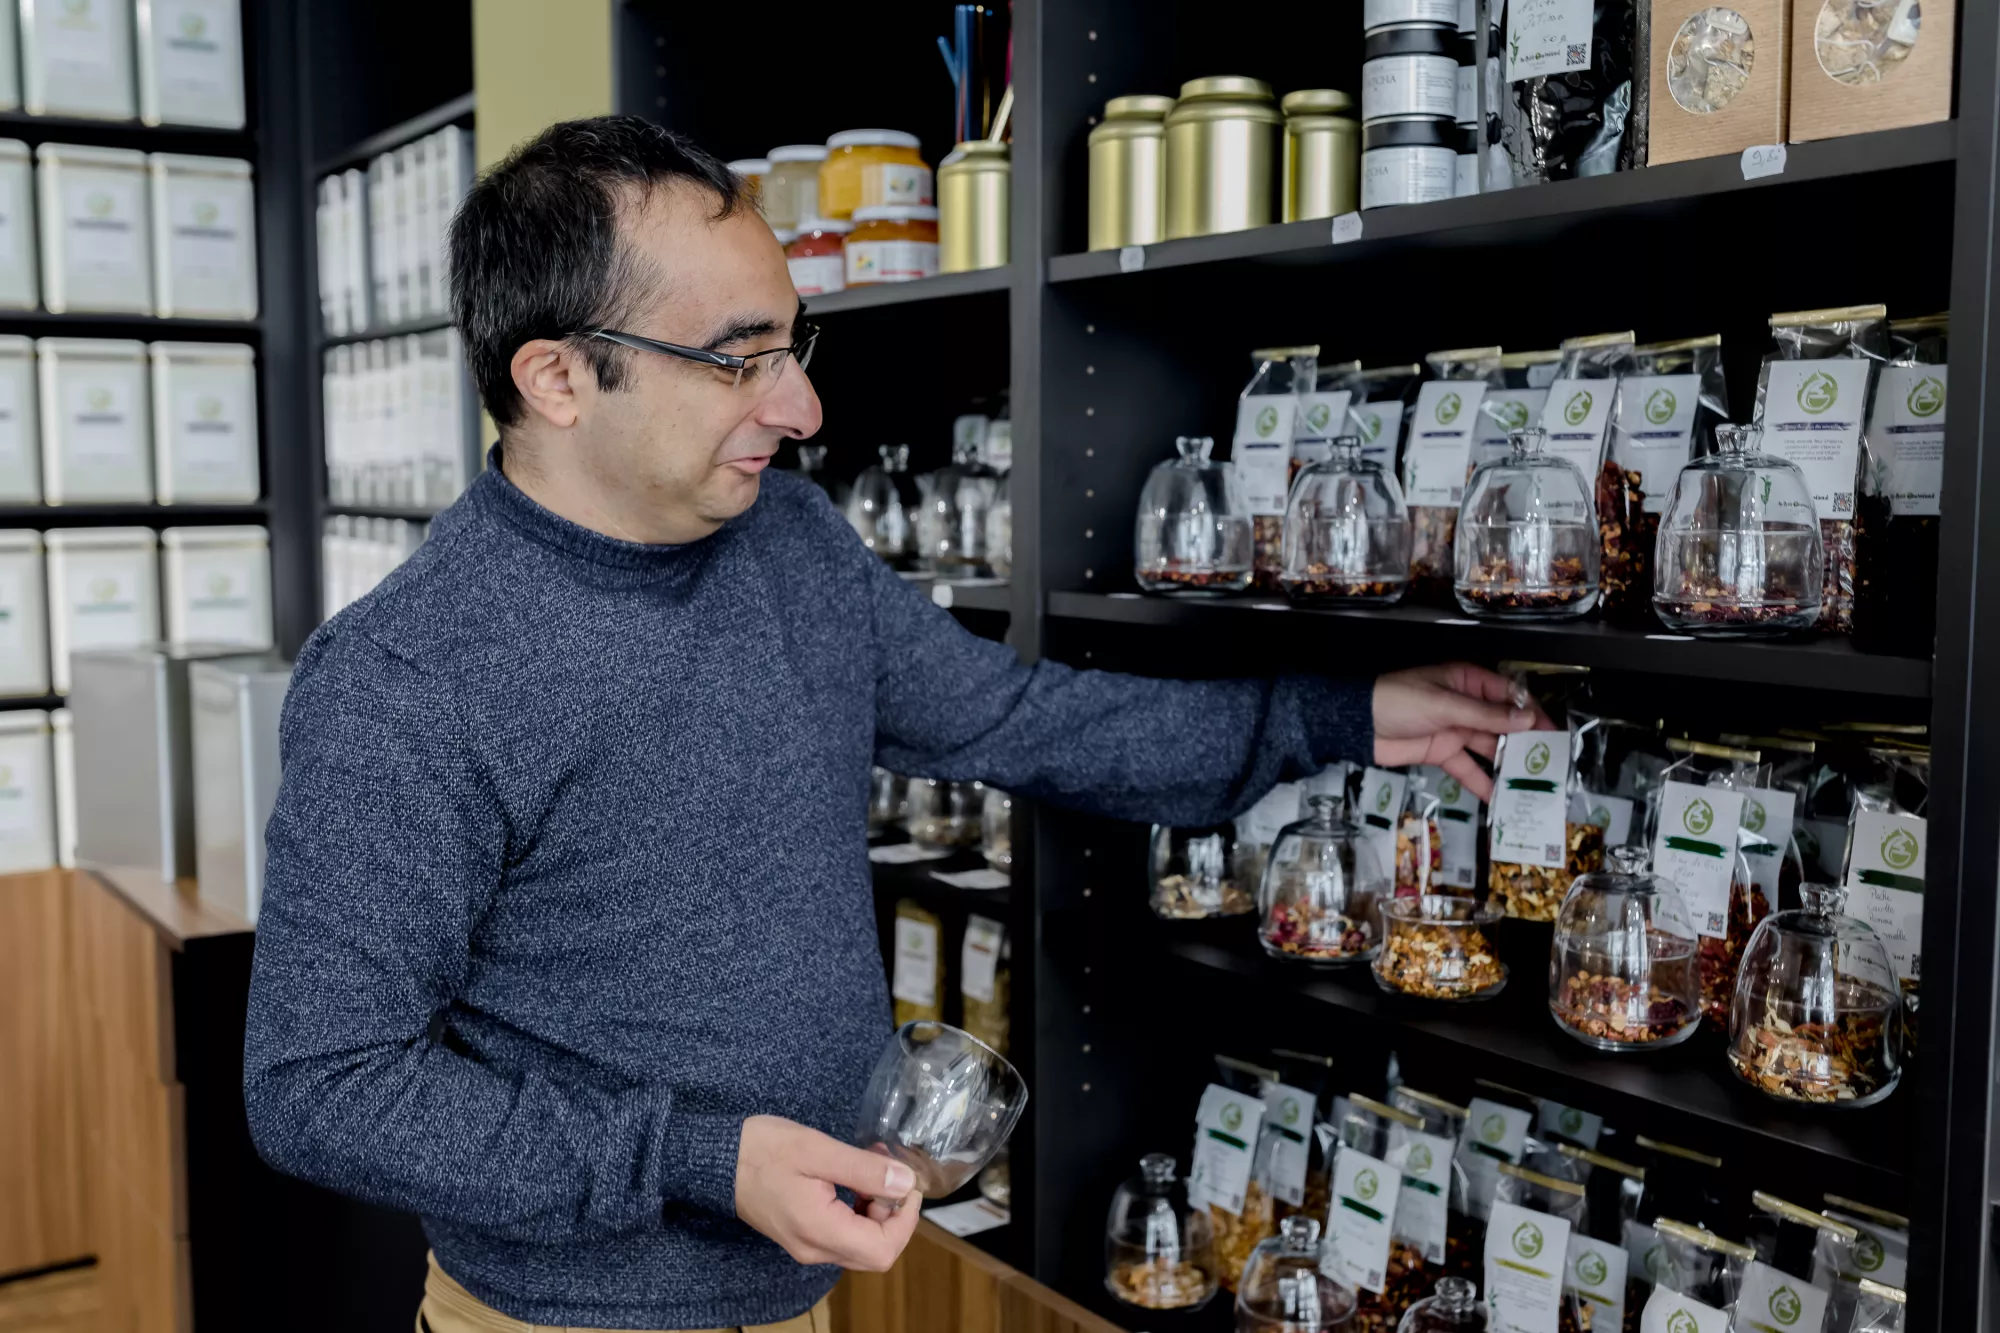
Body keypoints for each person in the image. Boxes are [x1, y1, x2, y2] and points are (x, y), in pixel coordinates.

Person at [242, 115, 1534, 1333]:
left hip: (805, 1298)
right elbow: (323, 1084)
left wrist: (1342, 715)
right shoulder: (408, 677)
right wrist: (700, 1158)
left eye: (794, 348)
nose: (799, 410)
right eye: (737, 359)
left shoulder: (790, 546)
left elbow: (1022, 721)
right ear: (561, 377)